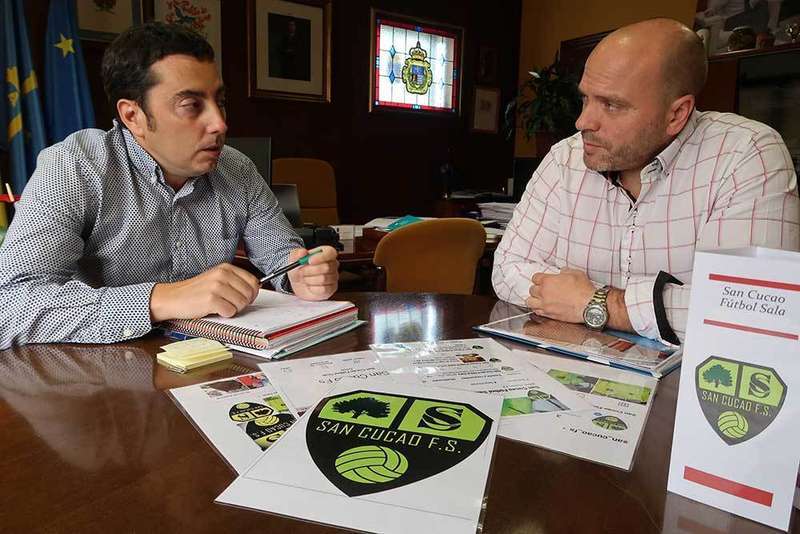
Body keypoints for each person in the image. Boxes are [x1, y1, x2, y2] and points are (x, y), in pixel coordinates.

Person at [0, 23, 338, 349]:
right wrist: (161, 299)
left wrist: (301, 276)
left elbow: (282, 256)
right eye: (191, 105)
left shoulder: (237, 169)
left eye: (220, 101)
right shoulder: (75, 166)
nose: (220, 123)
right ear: (133, 116)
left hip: (209, 363)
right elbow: (10, 306)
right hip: (100, 370)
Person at [493, 18, 799, 346]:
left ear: (676, 114)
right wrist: (667, 307)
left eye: (611, 105)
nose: (583, 121)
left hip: (692, 377)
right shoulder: (565, 159)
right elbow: (508, 268)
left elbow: (751, 312)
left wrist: (598, 303)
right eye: (586, 99)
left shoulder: (745, 155)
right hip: (569, 367)